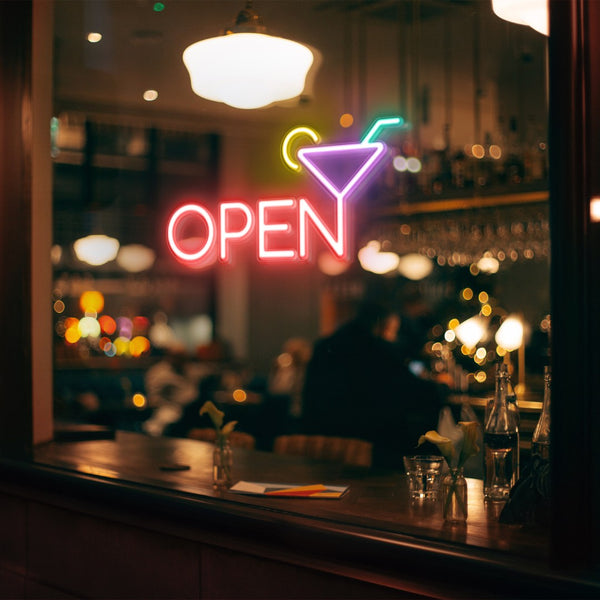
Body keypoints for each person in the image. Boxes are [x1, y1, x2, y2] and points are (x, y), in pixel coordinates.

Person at [301, 301, 446, 469]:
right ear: (382, 325)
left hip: (319, 442)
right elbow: (415, 393)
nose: (393, 336)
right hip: (367, 447)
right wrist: (441, 386)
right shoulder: (378, 349)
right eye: (392, 330)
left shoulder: (325, 345)